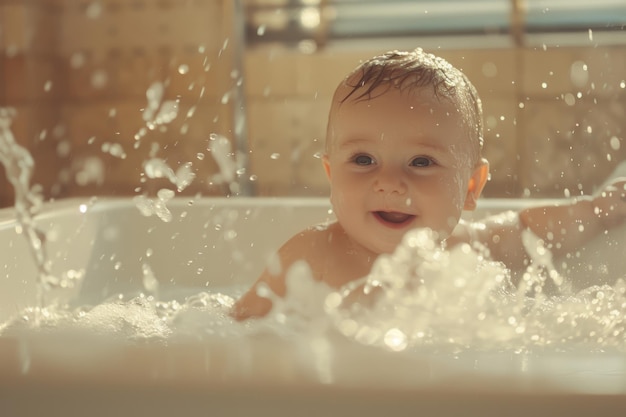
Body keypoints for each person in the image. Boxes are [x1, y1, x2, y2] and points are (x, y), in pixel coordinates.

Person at [231, 48, 626, 321]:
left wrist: (598, 210)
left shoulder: (467, 251)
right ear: (332, 174)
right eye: (363, 160)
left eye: (421, 162)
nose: (388, 182)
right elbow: (233, 336)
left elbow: (528, 232)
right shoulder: (309, 256)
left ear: (471, 186)